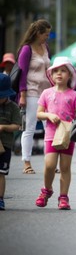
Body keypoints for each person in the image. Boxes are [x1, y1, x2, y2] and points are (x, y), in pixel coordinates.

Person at [35, 57, 76, 210]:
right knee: (49, 165)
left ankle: (63, 197)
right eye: (55, 71)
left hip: (68, 136)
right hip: (50, 135)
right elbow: (39, 114)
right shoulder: (46, 93)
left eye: (63, 71)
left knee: (65, 167)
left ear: (69, 75)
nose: (59, 74)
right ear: (51, 75)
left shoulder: (74, 95)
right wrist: (49, 115)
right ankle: (46, 190)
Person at [18, 19, 52, 174]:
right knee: (30, 127)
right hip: (31, 92)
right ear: (38, 33)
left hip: (46, 92)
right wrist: (22, 95)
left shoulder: (45, 47)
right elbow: (22, 74)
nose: (47, 37)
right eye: (46, 34)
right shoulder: (26, 49)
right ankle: (26, 162)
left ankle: (49, 161)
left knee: (49, 127)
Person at [0, 74, 22, 210]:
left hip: (5, 146)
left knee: (1, 173)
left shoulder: (13, 107)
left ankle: (0, 199)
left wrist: (3, 127)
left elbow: (17, 126)